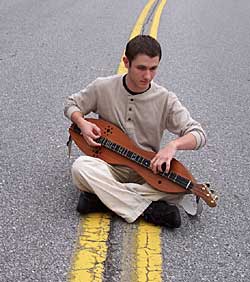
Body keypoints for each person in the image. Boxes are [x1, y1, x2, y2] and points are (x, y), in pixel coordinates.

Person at [64, 35, 207, 228]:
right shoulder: (103, 87)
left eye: (153, 68)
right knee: (80, 168)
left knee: (181, 188)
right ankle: (149, 210)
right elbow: (71, 104)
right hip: (109, 167)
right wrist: (81, 122)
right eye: (141, 68)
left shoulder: (165, 99)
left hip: (148, 171)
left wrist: (173, 145)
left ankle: (101, 199)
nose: (147, 76)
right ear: (126, 62)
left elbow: (198, 133)